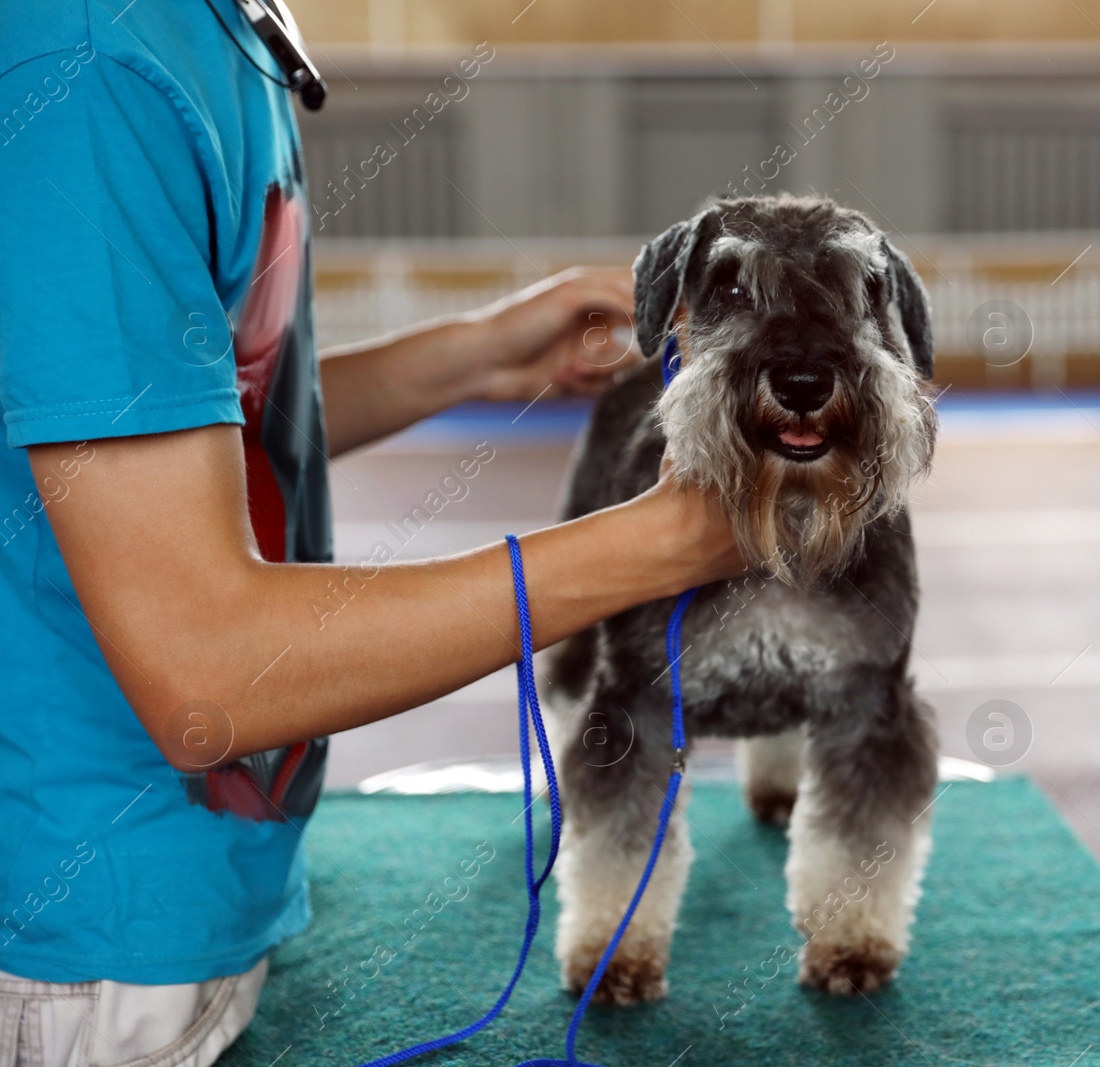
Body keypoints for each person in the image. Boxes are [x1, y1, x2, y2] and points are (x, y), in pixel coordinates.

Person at [0, 2, 741, 1063]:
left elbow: (204, 427)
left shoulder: (210, 27)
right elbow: (206, 671)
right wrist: (663, 542)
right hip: (101, 945)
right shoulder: (92, 69)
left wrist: (480, 355)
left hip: (212, 895)